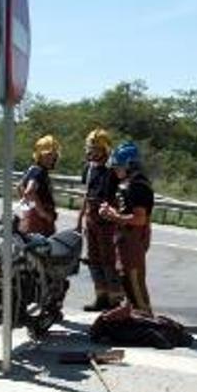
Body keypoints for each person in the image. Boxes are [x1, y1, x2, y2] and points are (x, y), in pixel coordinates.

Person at [99, 142, 154, 315]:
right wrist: (111, 211)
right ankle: (134, 314)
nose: (116, 170)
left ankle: (144, 319)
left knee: (133, 281)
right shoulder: (128, 183)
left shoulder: (137, 185)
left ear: (130, 165)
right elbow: (126, 211)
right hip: (125, 238)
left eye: (119, 166)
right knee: (126, 278)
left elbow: (139, 218)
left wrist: (114, 217)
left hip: (132, 239)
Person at [79, 128, 122, 312]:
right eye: (90, 148)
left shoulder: (113, 170)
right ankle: (101, 296)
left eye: (95, 148)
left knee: (109, 260)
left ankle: (115, 300)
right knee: (93, 260)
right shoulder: (88, 169)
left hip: (107, 221)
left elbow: (119, 197)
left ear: (104, 149)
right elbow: (87, 195)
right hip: (91, 218)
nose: (92, 152)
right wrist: (80, 219)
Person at [17, 135, 59, 236]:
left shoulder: (32, 169)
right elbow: (29, 191)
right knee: (43, 248)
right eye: (48, 155)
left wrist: (29, 208)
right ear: (40, 155)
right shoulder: (39, 171)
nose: (52, 158)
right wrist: (42, 213)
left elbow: (20, 187)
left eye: (53, 155)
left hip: (33, 216)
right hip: (40, 220)